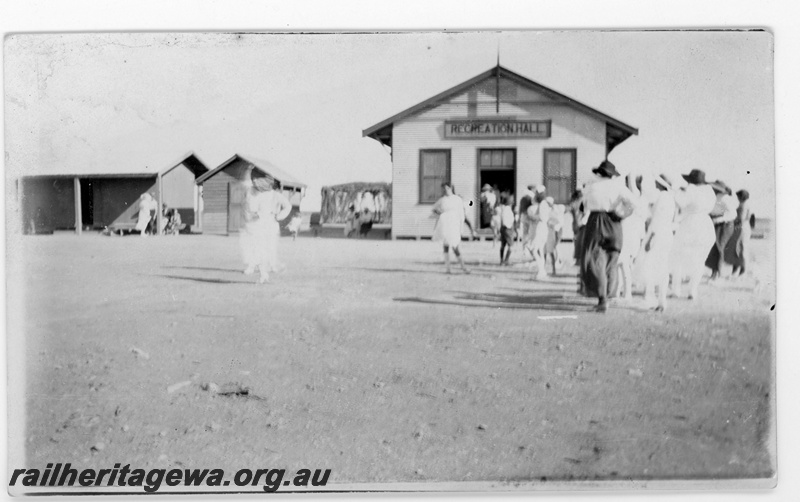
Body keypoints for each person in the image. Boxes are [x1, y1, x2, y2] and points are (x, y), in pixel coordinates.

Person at [580, 160, 636, 313]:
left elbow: (584, 205)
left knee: (594, 258)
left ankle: (602, 298)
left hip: (596, 220)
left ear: (599, 173)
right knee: (612, 258)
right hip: (614, 222)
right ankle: (609, 293)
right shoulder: (619, 187)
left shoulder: (591, 186)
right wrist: (621, 214)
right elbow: (633, 203)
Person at [669, 169, 717, 299]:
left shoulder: (691, 189)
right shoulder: (709, 190)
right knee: (699, 259)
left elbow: (681, 202)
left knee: (678, 257)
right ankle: (692, 290)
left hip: (690, 222)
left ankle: (676, 290)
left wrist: (675, 191)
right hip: (705, 222)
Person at [240, 170, 292, 284]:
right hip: (255, 226)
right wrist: (249, 216)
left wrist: (279, 216)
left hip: (269, 226)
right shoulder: (250, 191)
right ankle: (261, 272)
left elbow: (287, 206)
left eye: (258, 180)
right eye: (254, 180)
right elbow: (246, 206)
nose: (255, 182)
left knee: (266, 250)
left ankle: (268, 271)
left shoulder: (275, 195)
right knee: (256, 250)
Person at [635, 174, 677, 312]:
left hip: (657, 232)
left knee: (649, 263)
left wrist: (651, 236)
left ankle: (650, 297)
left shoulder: (662, 198)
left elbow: (658, 218)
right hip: (667, 233)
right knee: (662, 266)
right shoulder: (670, 198)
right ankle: (660, 300)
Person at [617, 174, 647, 301]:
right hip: (634, 230)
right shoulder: (641, 197)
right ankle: (620, 290)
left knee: (623, 262)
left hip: (628, 229)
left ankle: (625, 291)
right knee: (624, 262)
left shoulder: (633, 195)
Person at [432, 182, 470, 274]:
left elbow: (461, 214)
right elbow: (434, 208)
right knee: (445, 246)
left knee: (455, 245)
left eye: (447, 188)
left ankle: (463, 267)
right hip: (444, 223)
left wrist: (461, 227)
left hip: (454, 223)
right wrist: (439, 213)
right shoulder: (442, 200)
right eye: (443, 189)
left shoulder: (457, 199)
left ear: (451, 188)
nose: (445, 190)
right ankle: (448, 268)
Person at [704, 180, 738, 280]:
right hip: (717, 223)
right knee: (714, 247)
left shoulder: (725, 199)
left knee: (720, 246)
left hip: (725, 225)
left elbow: (733, 214)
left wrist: (719, 219)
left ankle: (718, 273)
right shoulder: (715, 197)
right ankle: (714, 272)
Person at [524, 188, 551, 280]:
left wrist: (532, 216)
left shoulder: (543, 204)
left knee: (534, 250)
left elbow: (542, 217)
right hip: (540, 228)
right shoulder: (542, 204)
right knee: (539, 250)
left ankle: (541, 270)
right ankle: (542, 271)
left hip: (540, 229)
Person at [725, 189, 752, 277]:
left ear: (741, 197)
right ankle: (739, 269)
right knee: (740, 248)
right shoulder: (745, 205)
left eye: (738, 197)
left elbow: (741, 218)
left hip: (741, 227)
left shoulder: (743, 205)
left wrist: (732, 221)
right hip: (744, 227)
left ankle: (741, 270)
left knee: (740, 248)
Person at [544, 199, 566, 276]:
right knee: (547, 250)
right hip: (549, 231)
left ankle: (556, 266)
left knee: (554, 248)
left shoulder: (557, 209)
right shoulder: (548, 210)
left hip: (555, 231)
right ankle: (545, 269)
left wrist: (550, 223)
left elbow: (558, 221)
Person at [498, 194, 516, 265]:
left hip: (503, 228)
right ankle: (506, 260)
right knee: (510, 245)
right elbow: (507, 221)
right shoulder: (508, 210)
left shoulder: (503, 209)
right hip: (508, 228)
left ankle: (501, 260)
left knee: (503, 245)